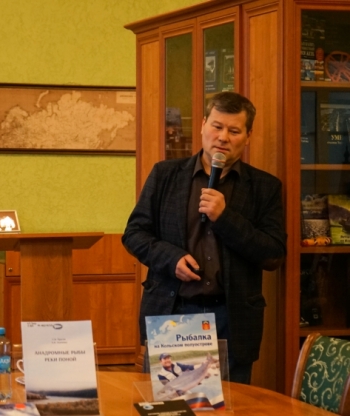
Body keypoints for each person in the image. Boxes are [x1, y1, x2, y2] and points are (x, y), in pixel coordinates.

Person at [122, 92, 286, 385]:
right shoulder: (165, 175)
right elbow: (134, 234)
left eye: (234, 130)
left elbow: (273, 254)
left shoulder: (265, 187)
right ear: (202, 125)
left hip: (231, 320)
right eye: (216, 126)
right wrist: (171, 259)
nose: (223, 137)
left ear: (248, 136)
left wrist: (225, 217)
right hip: (173, 313)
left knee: (232, 404)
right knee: (171, 401)